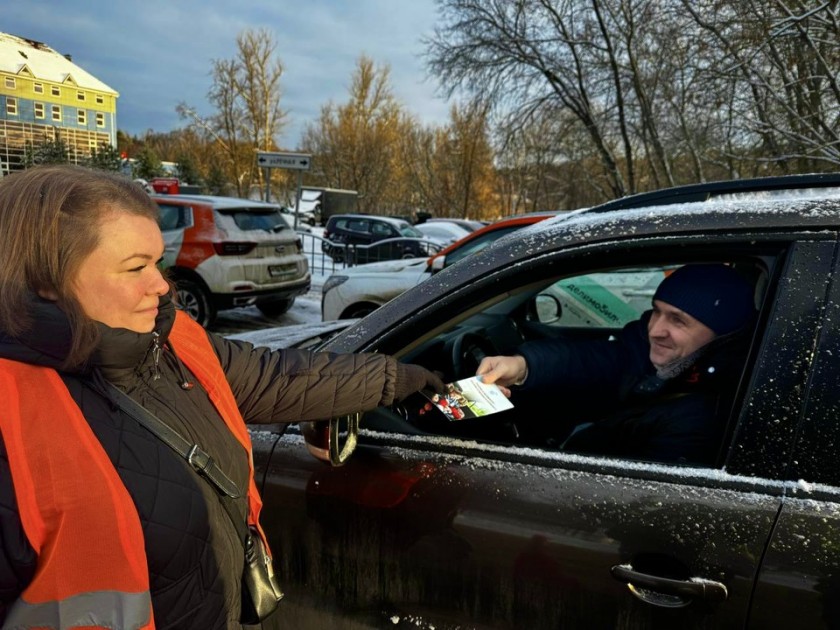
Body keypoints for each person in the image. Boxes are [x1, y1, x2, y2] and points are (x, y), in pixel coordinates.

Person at [0, 164, 444, 629]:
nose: (162, 285)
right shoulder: (12, 418)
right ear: (47, 279)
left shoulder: (170, 340)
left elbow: (278, 378)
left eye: (158, 262)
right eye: (135, 267)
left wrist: (395, 379)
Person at [476, 263, 756, 464]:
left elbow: (641, 500)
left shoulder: (705, 416)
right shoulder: (666, 355)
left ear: (721, 334)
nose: (655, 330)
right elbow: (599, 360)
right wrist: (523, 366)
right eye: (656, 311)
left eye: (678, 320)